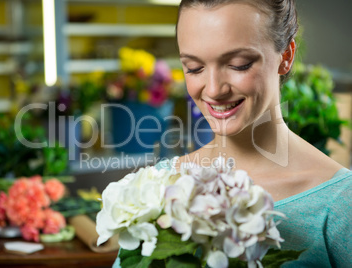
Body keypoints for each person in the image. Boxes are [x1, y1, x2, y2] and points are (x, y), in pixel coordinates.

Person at [112, 0, 351, 267]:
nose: (213, 90)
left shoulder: (340, 203)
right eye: (194, 68)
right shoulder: (158, 188)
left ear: (285, 56)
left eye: (238, 64)